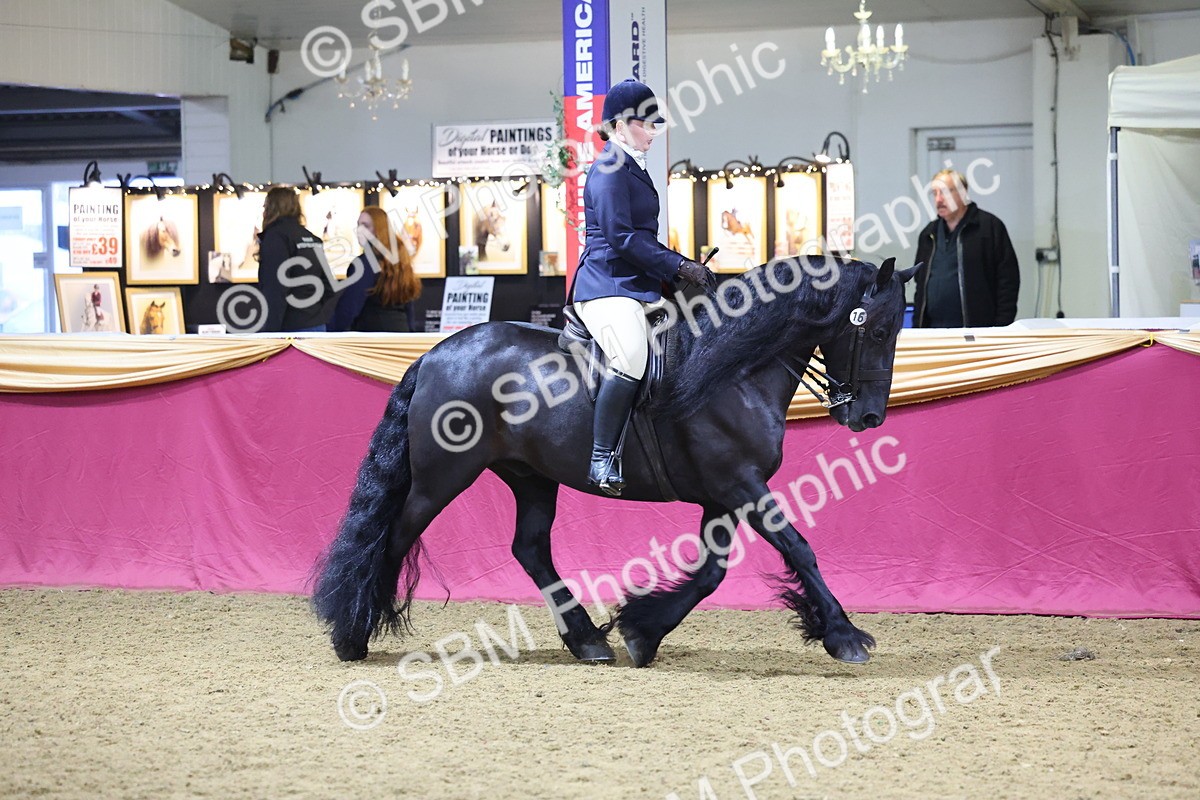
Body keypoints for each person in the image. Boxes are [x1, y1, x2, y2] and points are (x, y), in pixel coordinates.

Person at [571, 78, 715, 496]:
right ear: (618, 125)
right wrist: (678, 265)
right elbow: (621, 237)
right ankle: (601, 460)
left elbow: (641, 238)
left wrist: (677, 273)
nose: (653, 131)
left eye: (656, 124)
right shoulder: (611, 167)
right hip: (607, 285)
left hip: (637, 284)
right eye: (645, 124)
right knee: (631, 356)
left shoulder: (632, 165)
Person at [912, 169, 1020, 327]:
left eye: (944, 192)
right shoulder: (928, 234)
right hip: (933, 331)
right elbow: (920, 287)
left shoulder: (989, 228)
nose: (938, 200)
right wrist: (918, 328)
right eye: (934, 194)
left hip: (979, 332)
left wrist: (1001, 327)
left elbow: (1008, 281)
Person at [256, 186, 339, 332]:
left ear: (271, 208)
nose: (263, 212)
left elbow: (275, 289)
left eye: (265, 206)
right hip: (316, 324)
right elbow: (329, 286)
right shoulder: (313, 239)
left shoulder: (276, 237)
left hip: (290, 328)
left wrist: (270, 333)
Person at [328, 207, 422, 332]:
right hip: (400, 333)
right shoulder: (400, 259)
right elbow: (409, 306)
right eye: (358, 225)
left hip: (372, 338)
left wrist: (332, 331)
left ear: (379, 229)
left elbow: (350, 306)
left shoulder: (365, 262)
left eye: (366, 226)